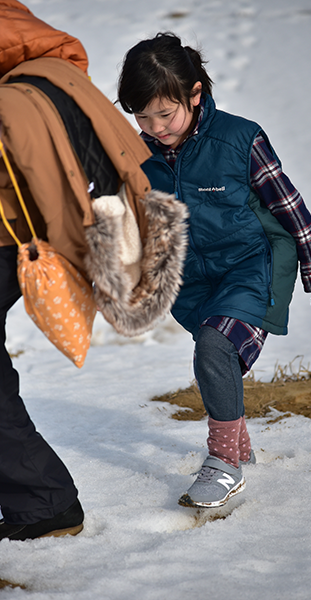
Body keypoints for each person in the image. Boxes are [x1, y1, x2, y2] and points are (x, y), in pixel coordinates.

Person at [117, 32, 311, 509]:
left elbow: (288, 204)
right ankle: (240, 447)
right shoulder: (136, 156)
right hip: (190, 282)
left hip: (249, 266)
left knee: (216, 347)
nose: (155, 126)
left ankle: (224, 464)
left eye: (166, 113)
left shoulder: (239, 138)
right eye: (142, 116)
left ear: (195, 94)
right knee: (215, 357)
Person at [0, 4, 186, 540]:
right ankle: (40, 500)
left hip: (24, 238)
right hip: (47, 236)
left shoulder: (17, 94)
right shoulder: (52, 69)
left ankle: (42, 503)